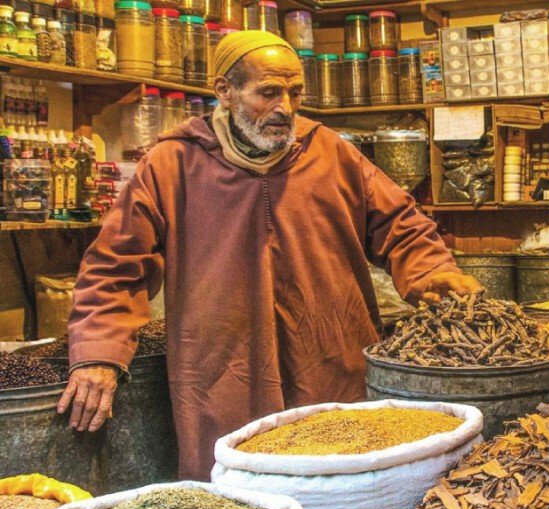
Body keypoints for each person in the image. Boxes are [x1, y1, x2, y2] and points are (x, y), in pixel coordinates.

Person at [59, 31, 480, 480]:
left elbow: (402, 226)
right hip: (223, 370)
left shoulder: (330, 153)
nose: (286, 108)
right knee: (238, 495)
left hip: (330, 358)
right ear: (224, 91)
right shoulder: (172, 164)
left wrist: (432, 272)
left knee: (343, 486)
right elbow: (115, 265)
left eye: (295, 93)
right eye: (268, 93)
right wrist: (99, 352)